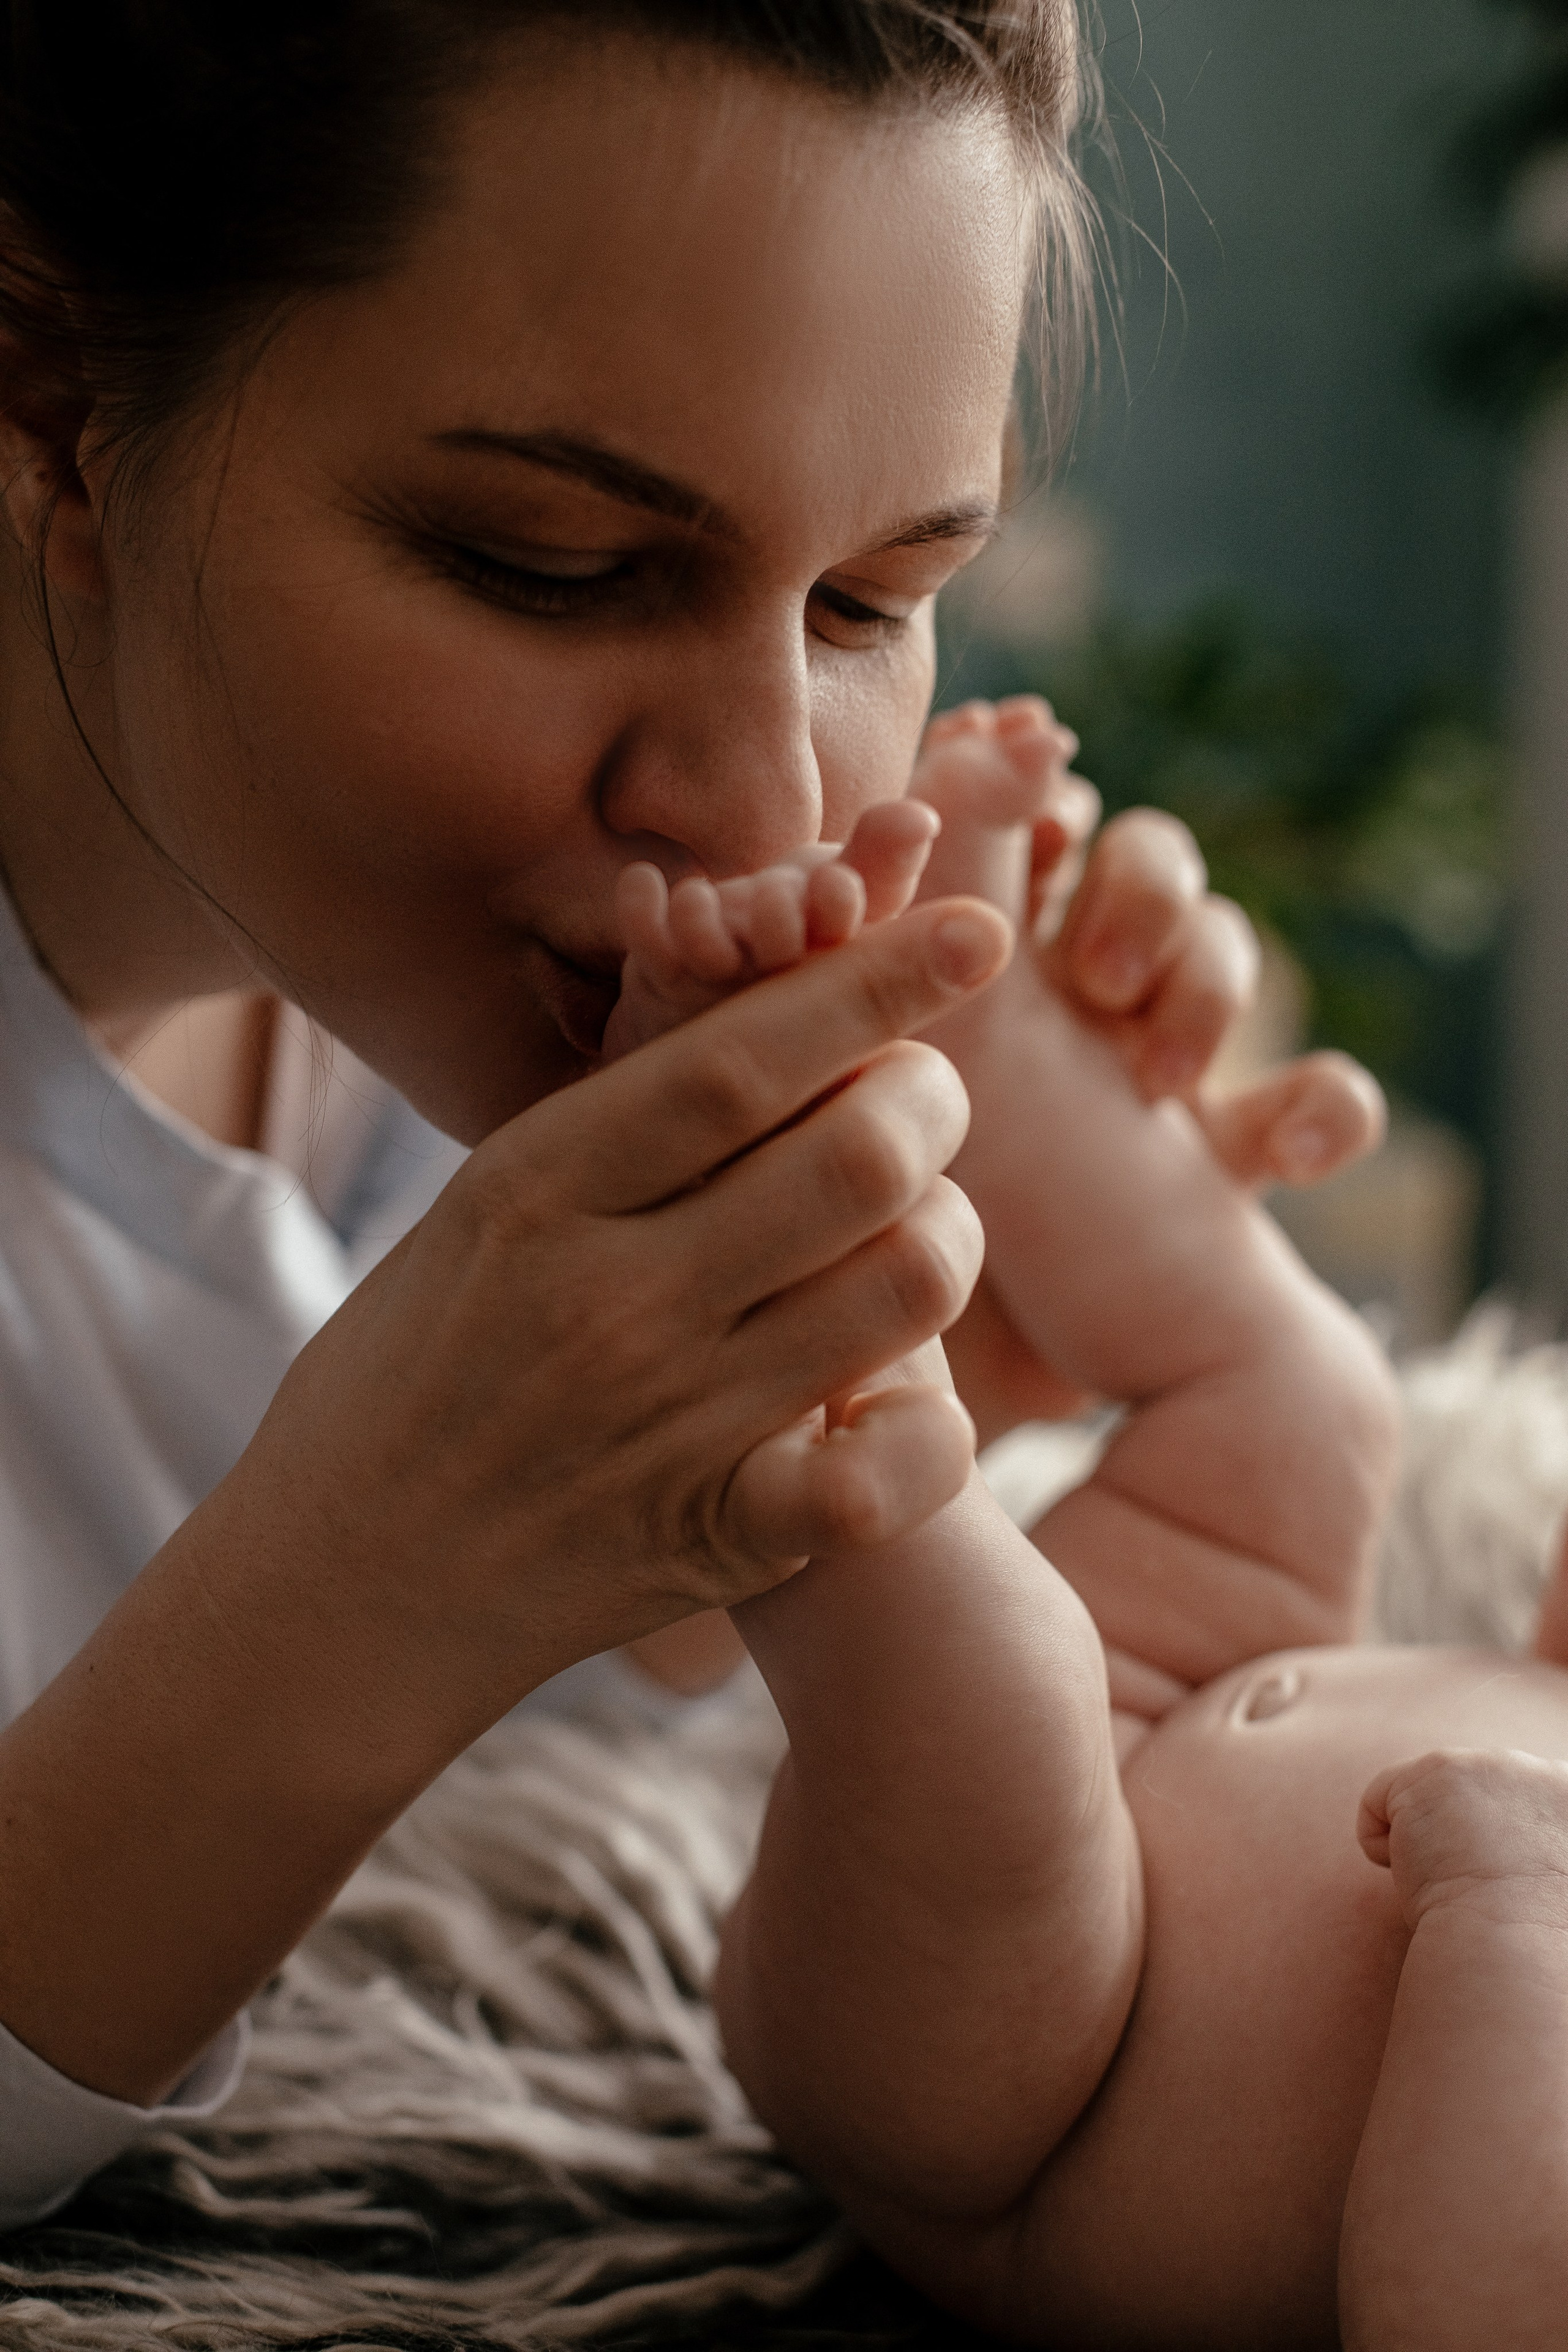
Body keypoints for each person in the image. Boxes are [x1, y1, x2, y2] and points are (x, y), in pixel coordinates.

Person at [0, 0, 1381, 2239]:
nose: (762, 807)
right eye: (557, 567)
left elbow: (534, 1821)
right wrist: (367, 1581)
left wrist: (801, 1447)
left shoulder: (429, 969)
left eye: (873, 601)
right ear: (53, 405)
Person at [698, 734, 1568, 2349]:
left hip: (1036, 2071)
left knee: (1003, 1693)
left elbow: (1474, 2308)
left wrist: (1519, 1910)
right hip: (1206, 1652)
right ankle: (974, 1018)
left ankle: (763, 1207)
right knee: (1317, 1405)